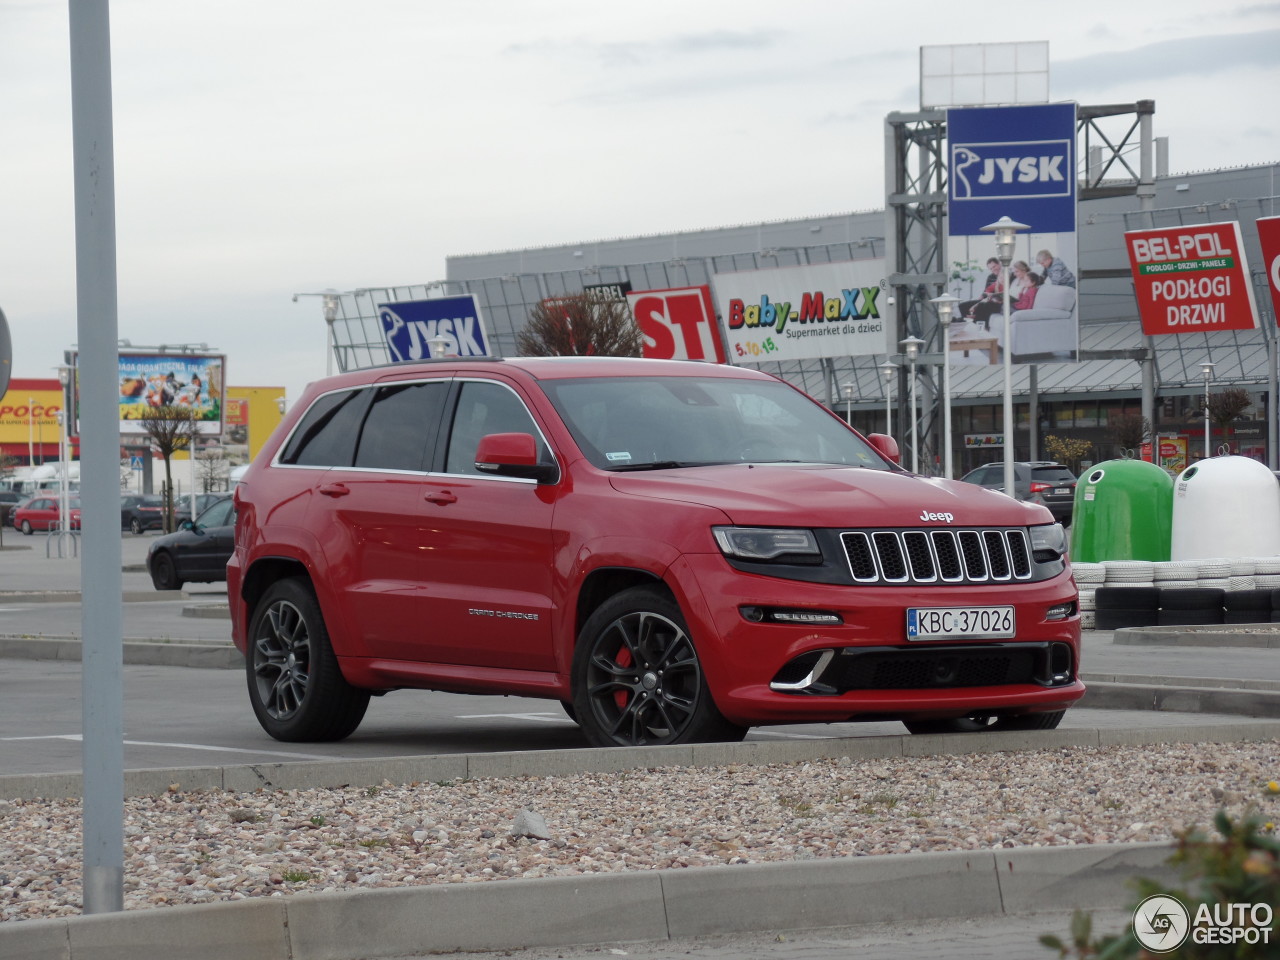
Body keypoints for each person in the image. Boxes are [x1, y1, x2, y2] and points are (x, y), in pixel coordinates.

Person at [970, 260, 1033, 329]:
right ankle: (980, 326)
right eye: (1014, 272)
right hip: (1007, 301)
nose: (1014, 274)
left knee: (986, 305)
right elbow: (1008, 292)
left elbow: (1025, 298)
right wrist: (998, 297)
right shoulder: (1016, 280)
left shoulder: (1029, 281)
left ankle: (979, 327)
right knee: (985, 303)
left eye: (1016, 271)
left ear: (1023, 270)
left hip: (1014, 305)